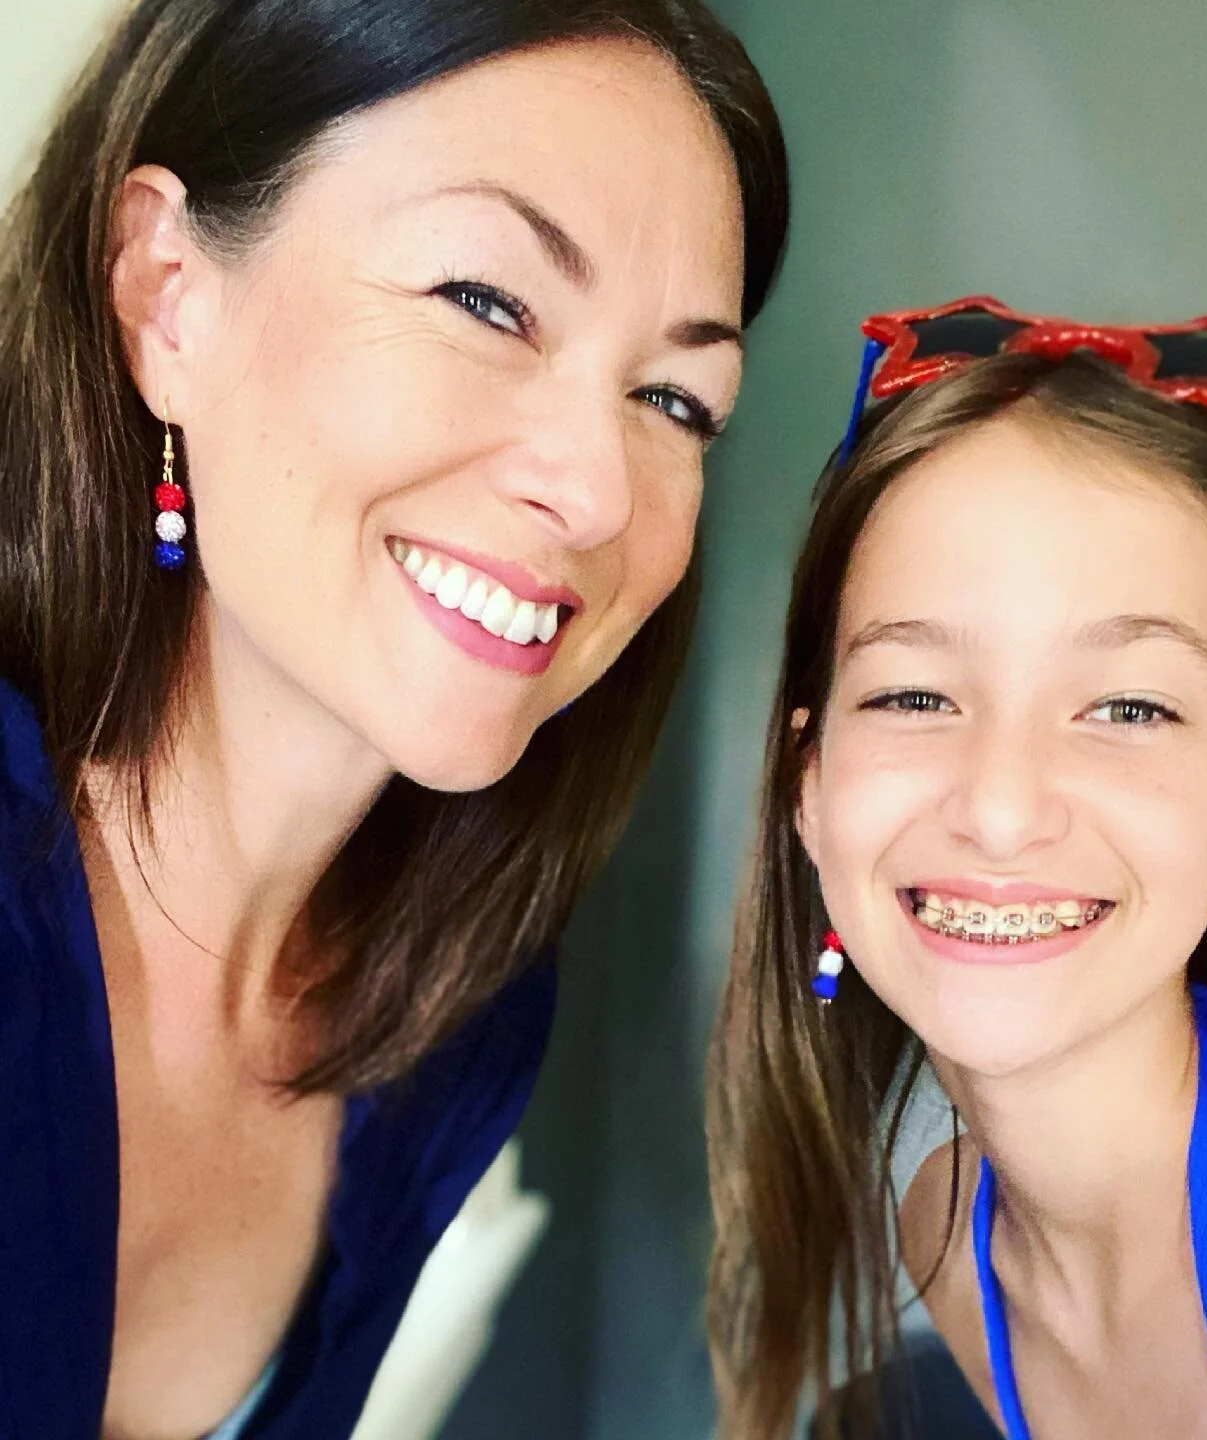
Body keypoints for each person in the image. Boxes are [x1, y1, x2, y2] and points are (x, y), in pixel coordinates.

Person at [0, 0, 787, 1434]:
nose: (598, 492)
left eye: (676, 398)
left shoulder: (455, 1013)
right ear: (167, 289)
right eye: (488, 304)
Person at [707, 298, 1207, 1439]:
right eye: (913, 695)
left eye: (1128, 707)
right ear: (808, 784)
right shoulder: (952, 1237)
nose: (999, 809)